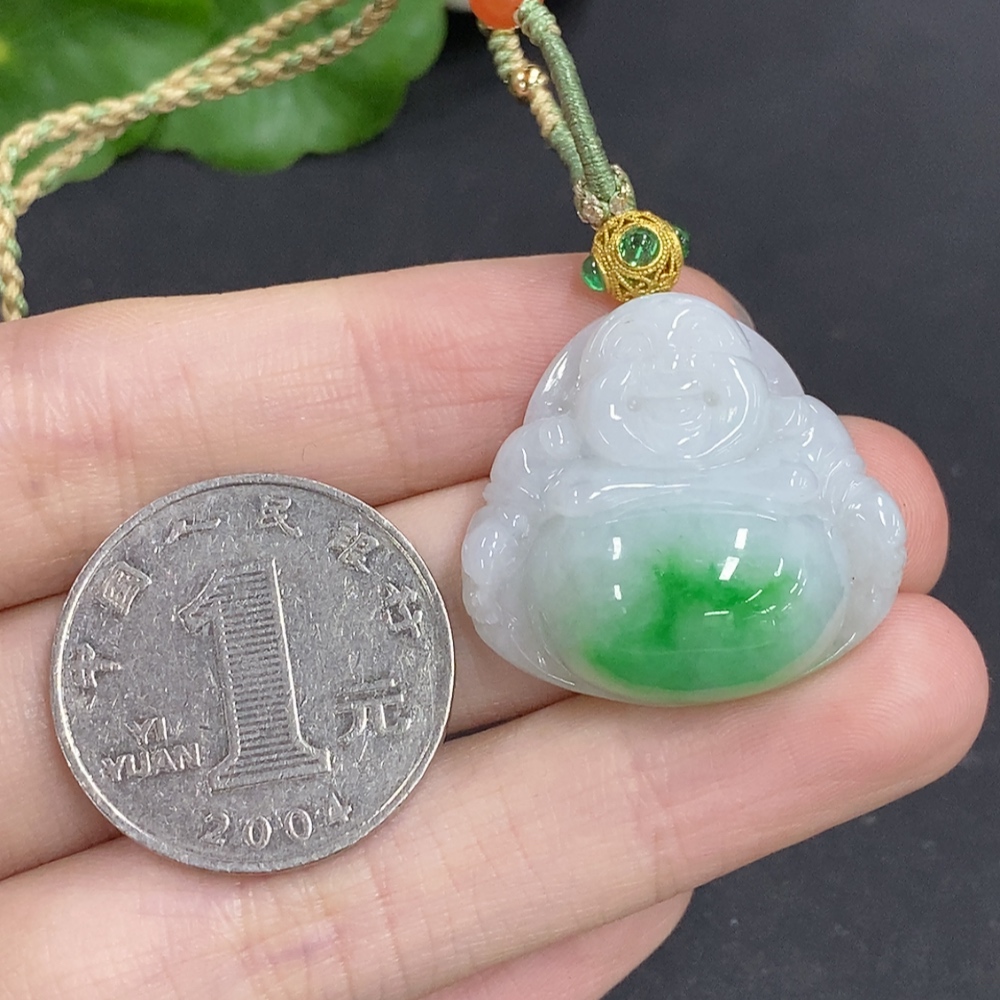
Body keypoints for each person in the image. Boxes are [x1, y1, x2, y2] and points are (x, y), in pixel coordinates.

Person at [0, 255, 986, 998]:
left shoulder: (794, 452)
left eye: (699, 383)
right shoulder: (560, 466)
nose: (673, 397)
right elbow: (508, 545)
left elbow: (859, 524)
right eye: (642, 383)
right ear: (595, 396)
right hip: (594, 595)